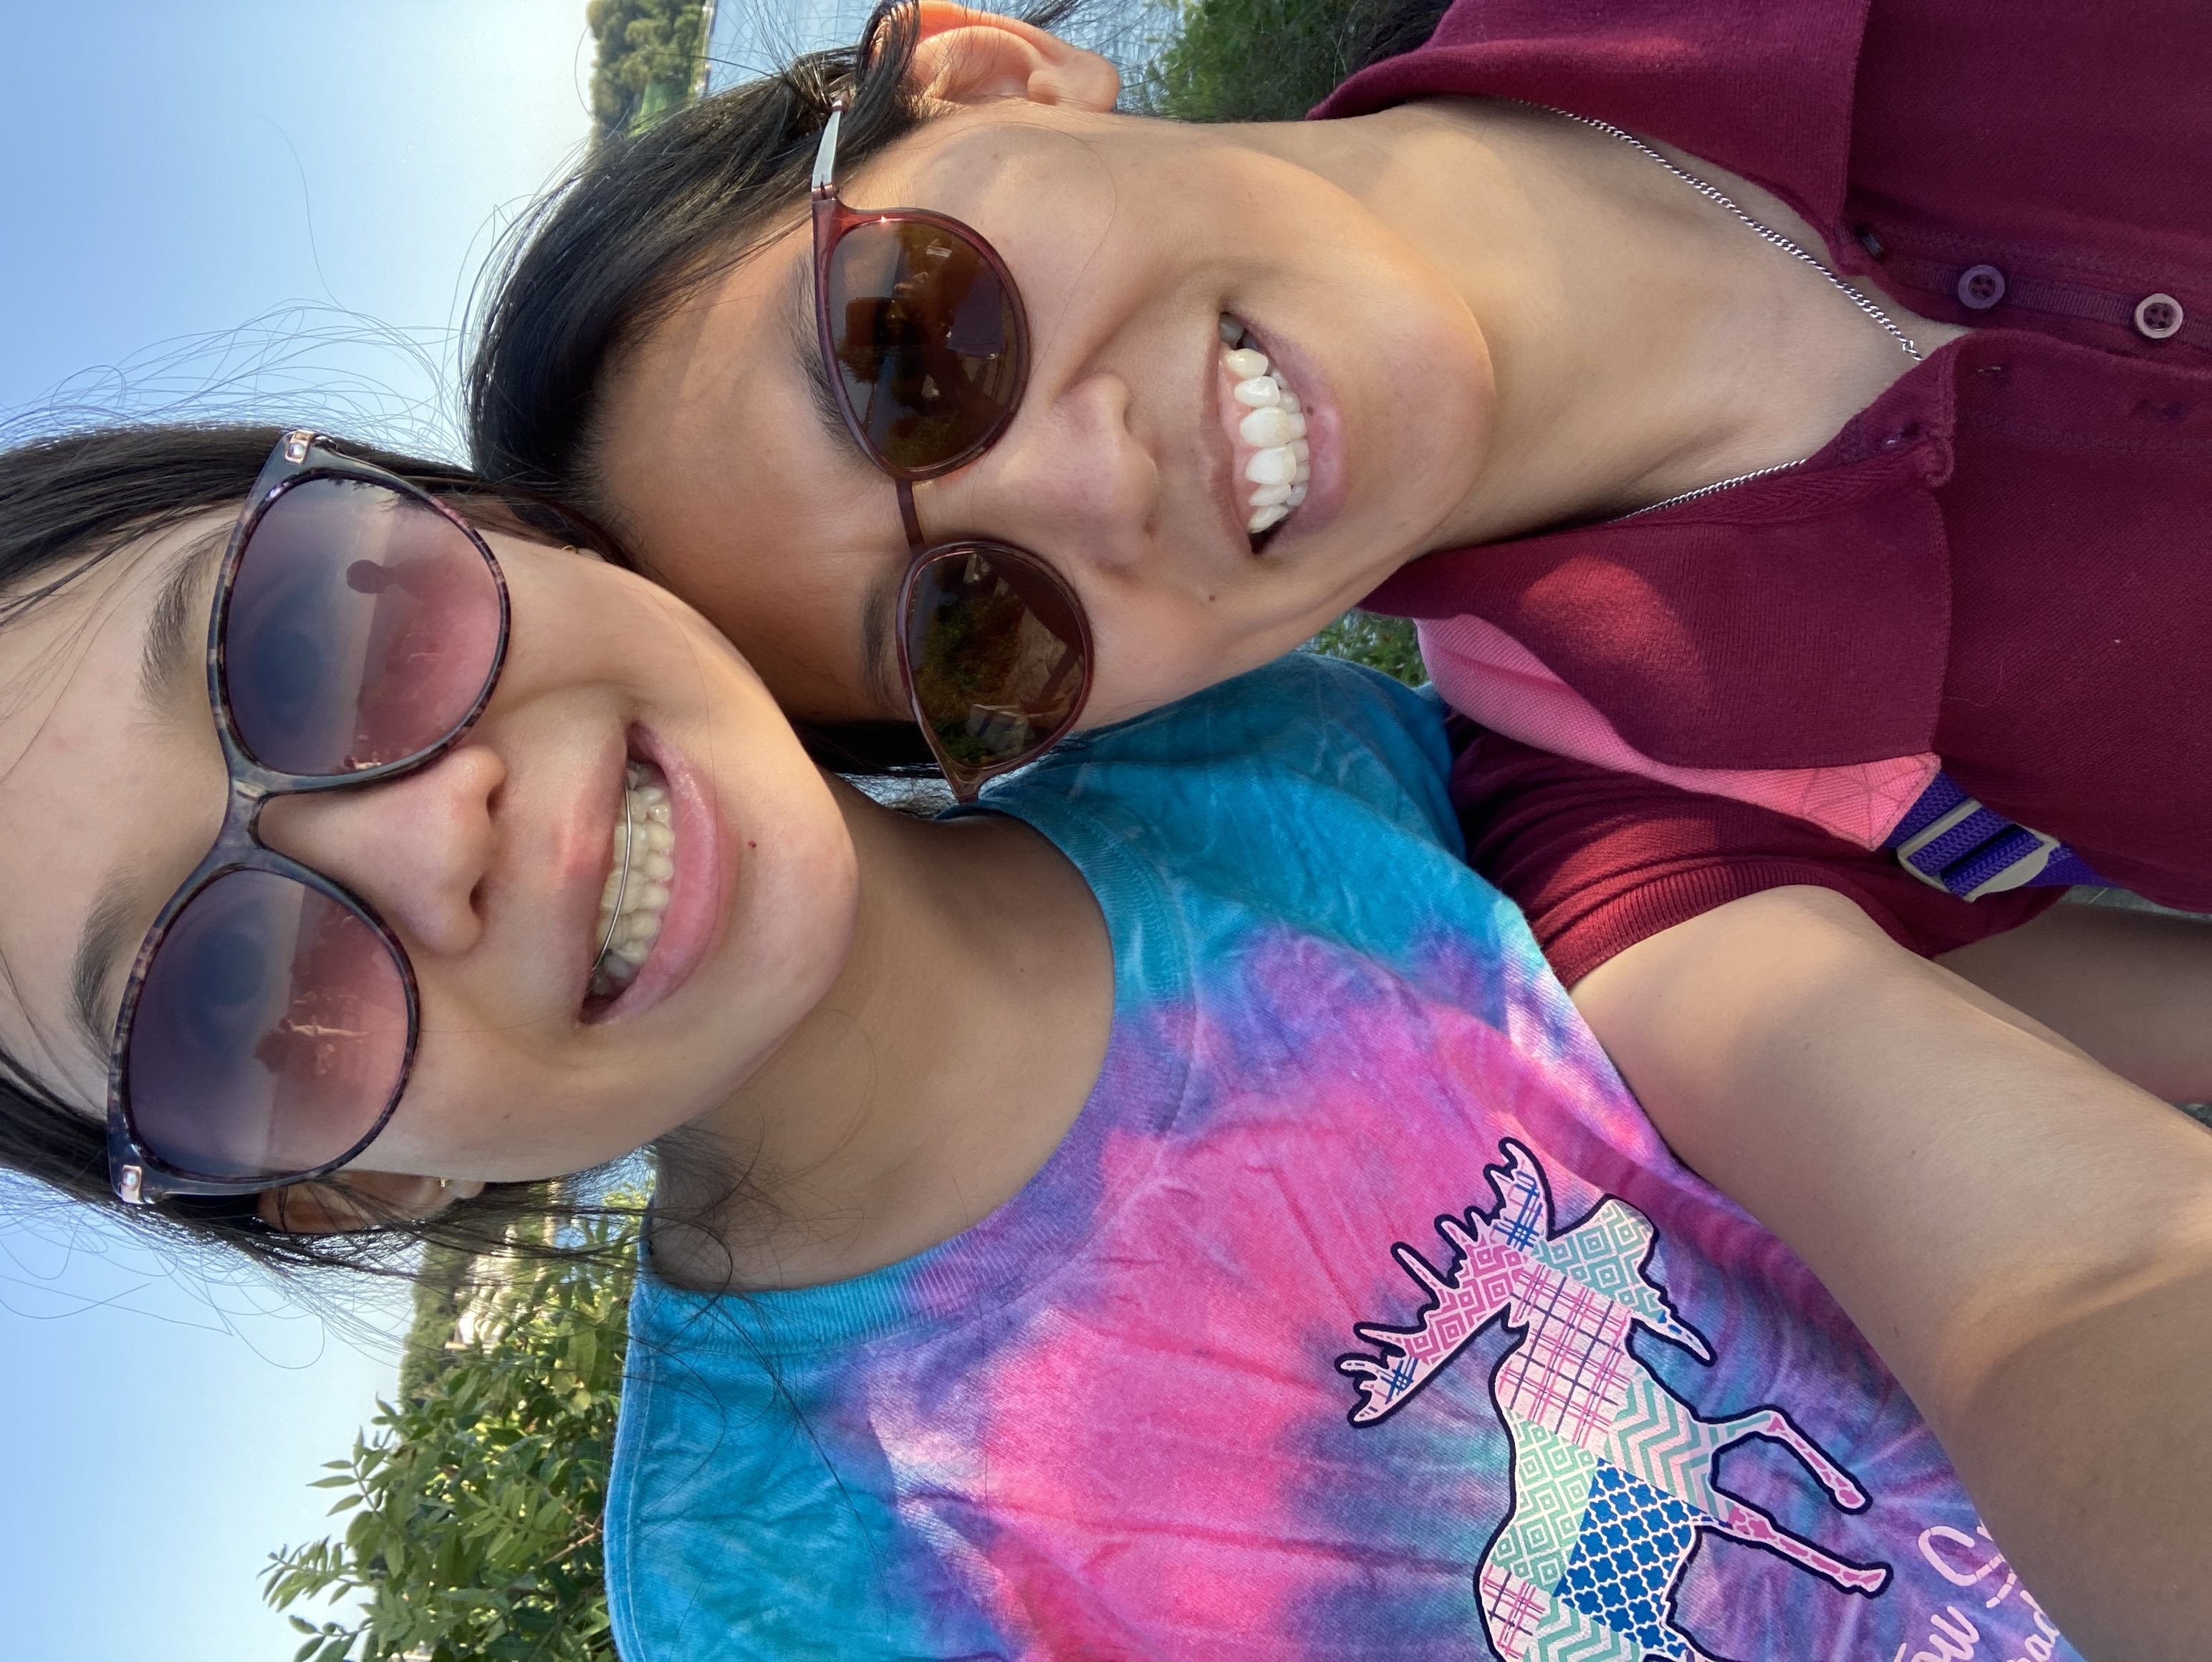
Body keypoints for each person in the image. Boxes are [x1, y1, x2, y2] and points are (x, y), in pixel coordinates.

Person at [456, 1, 2212, 1648]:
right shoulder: (1638, 802)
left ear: (994, 73)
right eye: (971, 627)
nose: (1082, 486)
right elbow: (2080, 1294)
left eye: (906, 345)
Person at [0, 422, 2117, 1655]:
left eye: (310, 631)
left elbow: (1914, 1013)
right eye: (235, 1002)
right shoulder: (780, 1596)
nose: (424, 831)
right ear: (353, 1180)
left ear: (482, 522)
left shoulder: (1267, 742)